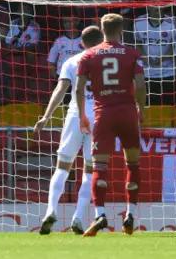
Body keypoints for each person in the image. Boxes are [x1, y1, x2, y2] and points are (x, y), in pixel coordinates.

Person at [76, 13, 146, 237]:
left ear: (102, 30)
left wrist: (81, 116)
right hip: (127, 112)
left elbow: (78, 88)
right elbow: (141, 85)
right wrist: (141, 110)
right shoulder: (132, 53)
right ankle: (130, 215)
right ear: (122, 30)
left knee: (99, 168)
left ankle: (100, 215)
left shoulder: (88, 55)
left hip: (103, 114)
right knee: (133, 165)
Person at [34, 25, 104, 235]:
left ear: (81, 43)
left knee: (63, 167)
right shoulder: (108, 62)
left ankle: (50, 210)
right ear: (101, 41)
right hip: (99, 117)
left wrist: (46, 117)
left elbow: (60, 90)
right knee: (90, 171)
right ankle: (78, 218)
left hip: (75, 115)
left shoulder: (71, 61)